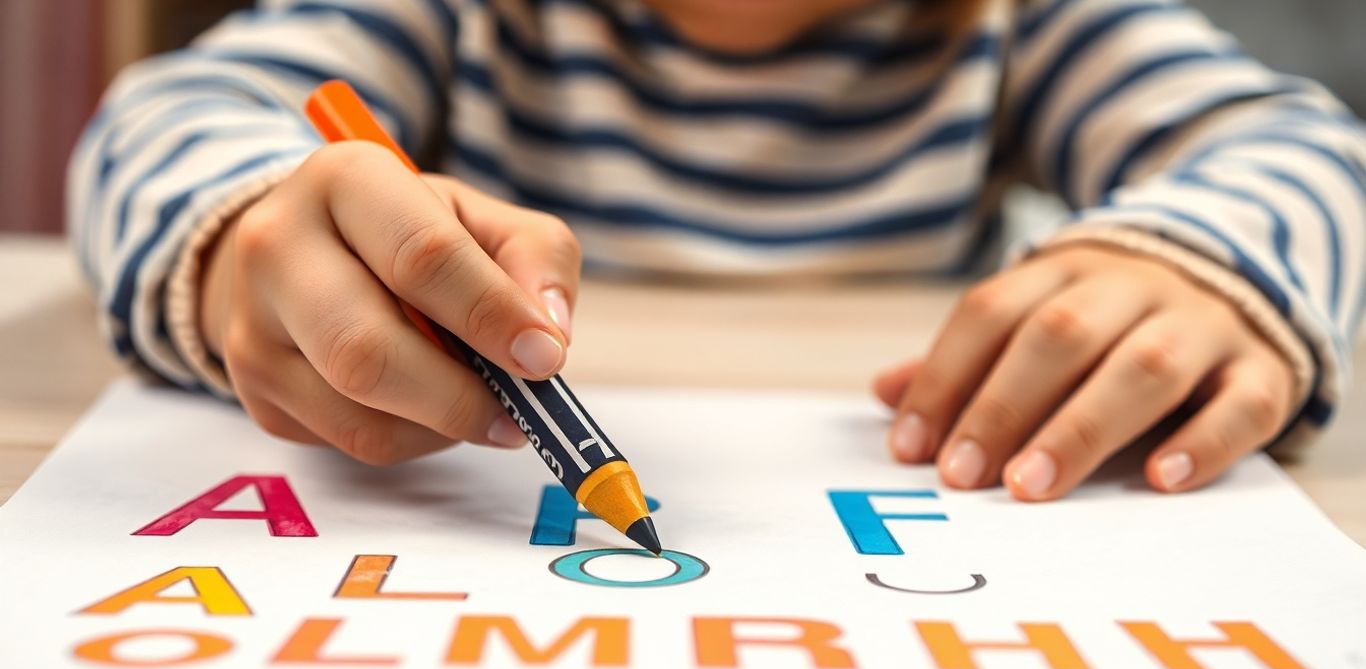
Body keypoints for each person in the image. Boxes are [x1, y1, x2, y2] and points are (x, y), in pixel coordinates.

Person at [68, 0, 1366, 502]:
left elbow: (1292, 145)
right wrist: (245, 232)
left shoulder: (1034, 25)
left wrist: (1204, 261)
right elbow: (167, 119)